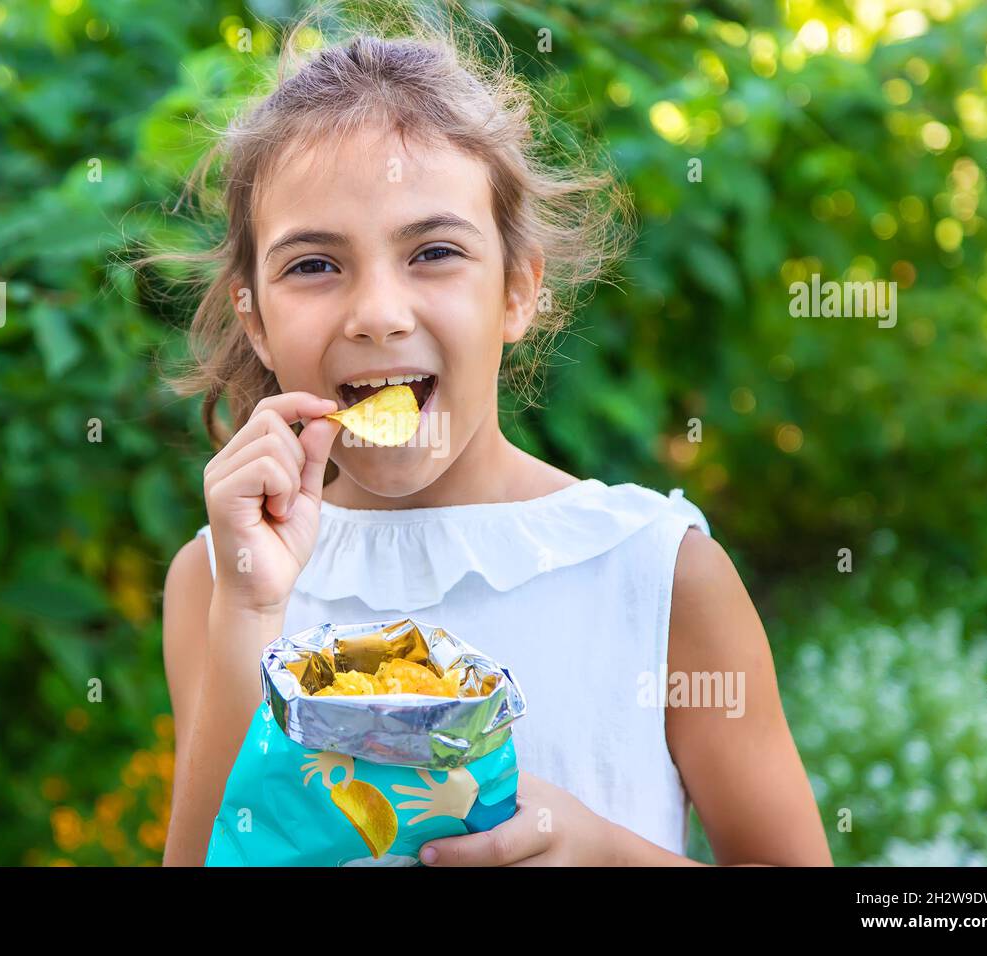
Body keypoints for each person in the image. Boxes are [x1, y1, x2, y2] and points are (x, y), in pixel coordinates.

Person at [157, 14, 832, 867]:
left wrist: (605, 855)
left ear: (518, 290)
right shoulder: (215, 580)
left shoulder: (656, 572)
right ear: (254, 323)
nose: (378, 315)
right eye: (315, 265)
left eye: (434, 251)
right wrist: (250, 613)